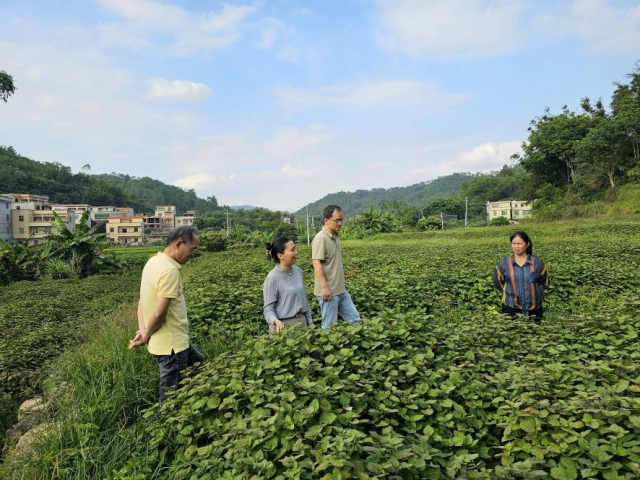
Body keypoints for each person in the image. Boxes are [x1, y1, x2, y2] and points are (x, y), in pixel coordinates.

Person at [129, 226, 204, 404]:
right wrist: (146, 333)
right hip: (172, 346)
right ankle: (168, 427)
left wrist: (143, 330)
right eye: (192, 249)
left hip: (174, 340)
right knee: (170, 396)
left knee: (199, 365)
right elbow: (160, 311)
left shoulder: (153, 262)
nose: (192, 254)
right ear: (179, 244)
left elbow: (142, 301)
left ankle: (199, 402)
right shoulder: (169, 271)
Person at [312, 205, 360, 329]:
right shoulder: (321, 238)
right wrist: (324, 288)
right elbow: (316, 263)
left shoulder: (335, 236)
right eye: (337, 220)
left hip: (341, 290)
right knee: (329, 327)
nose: (340, 223)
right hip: (328, 292)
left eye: (341, 220)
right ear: (326, 220)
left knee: (355, 320)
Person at [493, 231, 550, 320]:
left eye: (519, 243)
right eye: (514, 243)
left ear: (527, 244)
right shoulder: (504, 263)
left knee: (535, 332)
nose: (516, 246)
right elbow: (498, 282)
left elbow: (545, 282)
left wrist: (535, 293)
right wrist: (509, 293)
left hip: (534, 309)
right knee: (512, 332)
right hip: (510, 307)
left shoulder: (537, 263)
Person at [263, 237, 313, 336]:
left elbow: (304, 300)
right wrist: (275, 321)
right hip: (283, 328)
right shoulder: (272, 278)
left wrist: (309, 322)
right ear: (280, 255)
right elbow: (268, 310)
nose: (296, 252)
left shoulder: (298, 271)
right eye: (292, 250)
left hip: (302, 325)